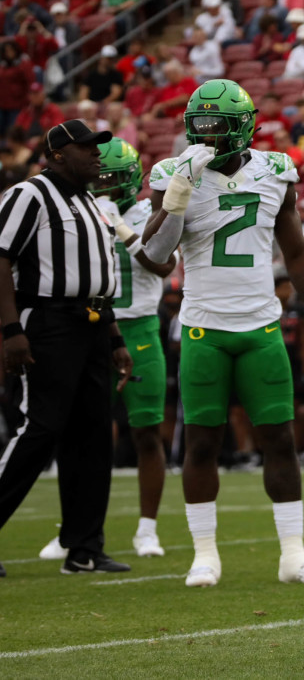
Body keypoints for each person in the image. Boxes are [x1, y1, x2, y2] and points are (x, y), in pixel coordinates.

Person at [140, 79, 304, 587]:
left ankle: (293, 553)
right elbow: (154, 256)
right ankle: (204, 554)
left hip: (261, 327)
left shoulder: (275, 171)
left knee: (279, 438)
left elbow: (296, 251)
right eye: (200, 129)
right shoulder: (173, 173)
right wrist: (179, 193)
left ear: (243, 128)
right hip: (204, 326)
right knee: (203, 442)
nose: (206, 139)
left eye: (216, 129)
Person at [0, 120, 133, 578]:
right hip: (48, 320)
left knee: (93, 436)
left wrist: (114, 339)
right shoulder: (28, 195)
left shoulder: (93, 203)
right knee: (38, 429)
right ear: (56, 153)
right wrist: (10, 329)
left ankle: (83, 547)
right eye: (86, 148)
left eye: (98, 148)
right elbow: (1, 259)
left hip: (93, 323)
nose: (97, 155)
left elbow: (97, 275)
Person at [48, 138, 175, 559]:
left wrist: (121, 227)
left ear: (133, 178)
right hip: (91, 326)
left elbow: (162, 264)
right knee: (79, 433)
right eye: (101, 178)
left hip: (138, 326)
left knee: (146, 432)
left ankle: (147, 528)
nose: (104, 186)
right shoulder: (78, 209)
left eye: (113, 179)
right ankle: (74, 528)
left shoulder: (147, 212)